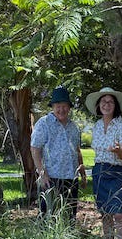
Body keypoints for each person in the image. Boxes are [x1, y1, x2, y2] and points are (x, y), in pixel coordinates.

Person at [86, 86, 122, 239]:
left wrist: (118, 150)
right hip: (100, 171)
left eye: (110, 101)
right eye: (103, 101)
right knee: (105, 215)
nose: (107, 104)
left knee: (119, 215)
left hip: (119, 172)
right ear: (98, 105)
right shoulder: (97, 126)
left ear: (116, 105)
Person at [30, 85, 86, 219]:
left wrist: (83, 174)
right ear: (53, 107)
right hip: (51, 178)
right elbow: (35, 149)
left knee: (69, 216)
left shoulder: (73, 127)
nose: (62, 109)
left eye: (65, 106)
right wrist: (42, 174)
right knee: (48, 216)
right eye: (58, 106)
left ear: (69, 107)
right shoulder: (44, 123)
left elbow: (77, 151)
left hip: (71, 178)